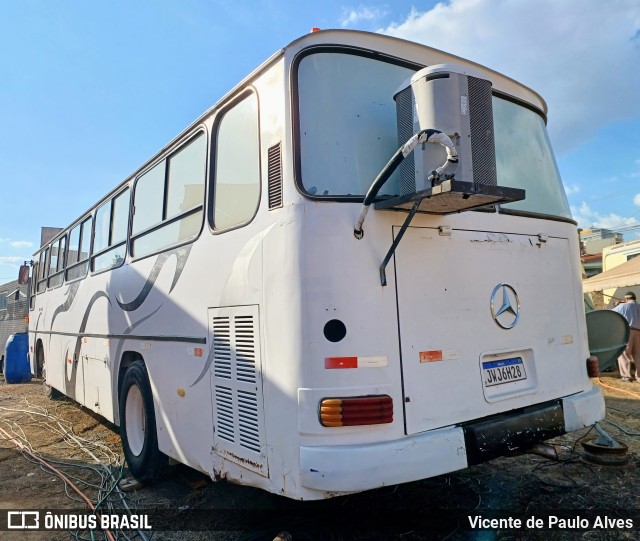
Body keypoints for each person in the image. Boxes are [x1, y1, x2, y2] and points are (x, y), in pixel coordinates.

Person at [612, 291, 640, 382]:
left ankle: (626, 377)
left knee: (624, 354)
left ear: (626, 299)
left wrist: (616, 305)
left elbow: (611, 314)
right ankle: (639, 376)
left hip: (628, 332)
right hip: (638, 332)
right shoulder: (638, 306)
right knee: (638, 355)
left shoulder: (622, 306)